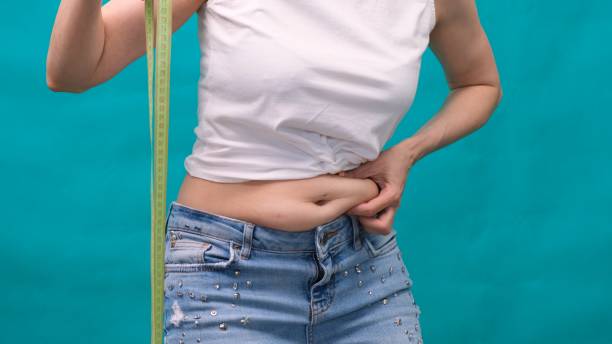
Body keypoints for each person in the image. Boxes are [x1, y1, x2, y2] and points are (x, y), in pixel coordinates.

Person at [46, 0, 502, 342]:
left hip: (362, 266)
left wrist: (407, 152)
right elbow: (74, 71)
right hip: (226, 273)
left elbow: (479, 83)